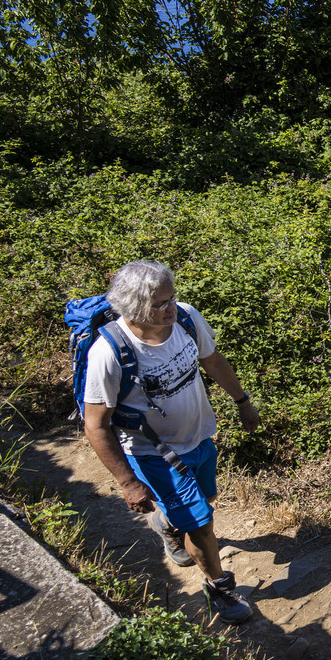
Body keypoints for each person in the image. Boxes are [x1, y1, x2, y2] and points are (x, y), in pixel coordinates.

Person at [80, 260, 260, 625]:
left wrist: (243, 402)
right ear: (131, 309)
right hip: (153, 454)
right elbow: (95, 425)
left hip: (199, 438)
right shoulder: (109, 353)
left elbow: (211, 359)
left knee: (205, 500)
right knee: (201, 524)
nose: (170, 309)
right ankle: (220, 588)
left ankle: (166, 524)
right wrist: (128, 483)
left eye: (171, 299)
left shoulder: (186, 319)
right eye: (158, 305)